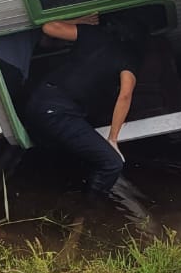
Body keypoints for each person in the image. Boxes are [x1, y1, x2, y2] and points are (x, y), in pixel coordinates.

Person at [20, 14, 142, 198]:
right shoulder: (128, 58)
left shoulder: (92, 33)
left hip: (38, 102)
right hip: (58, 114)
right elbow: (125, 95)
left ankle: (63, 204)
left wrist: (79, 20)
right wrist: (113, 139)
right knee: (112, 163)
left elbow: (49, 27)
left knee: (71, 157)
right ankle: (88, 214)